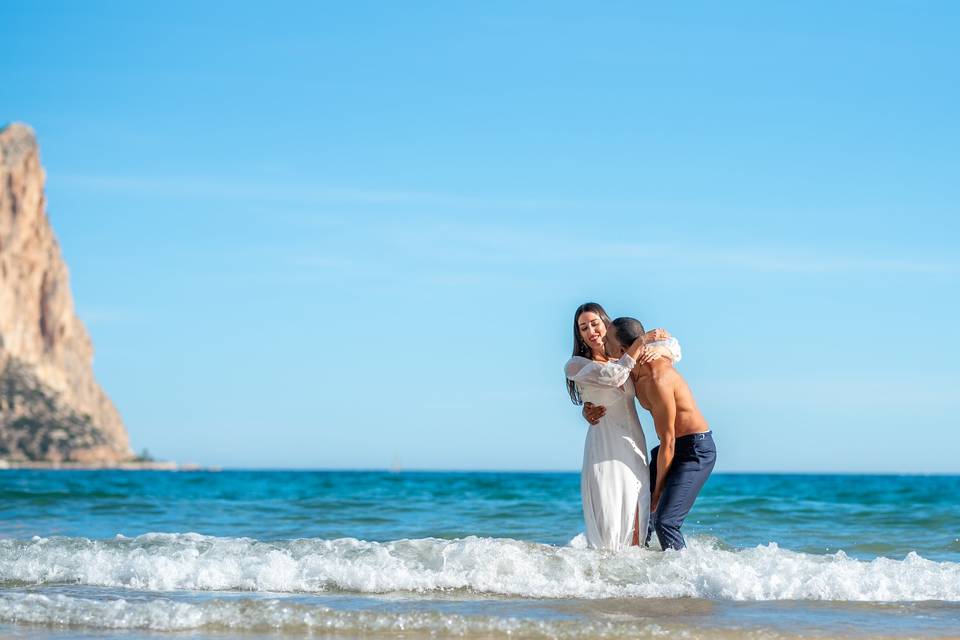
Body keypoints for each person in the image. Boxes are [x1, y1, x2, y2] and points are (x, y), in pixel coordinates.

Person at [564, 302, 681, 550]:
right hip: (603, 447)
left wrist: (659, 349)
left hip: (633, 443)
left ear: (606, 323)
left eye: (595, 324)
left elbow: (674, 346)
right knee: (609, 518)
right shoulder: (576, 365)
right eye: (583, 328)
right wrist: (641, 343)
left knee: (637, 509)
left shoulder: (623, 355)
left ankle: (634, 584)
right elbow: (613, 375)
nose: (591, 331)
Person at [605, 316, 715, 551]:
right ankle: (647, 580)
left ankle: (685, 581)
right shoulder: (631, 367)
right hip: (670, 447)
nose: (603, 344)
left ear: (623, 348)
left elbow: (669, 442)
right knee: (641, 513)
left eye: (607, 340)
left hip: (694, 450)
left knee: (665, 521)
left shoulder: (657, 379)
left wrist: (657, 493)